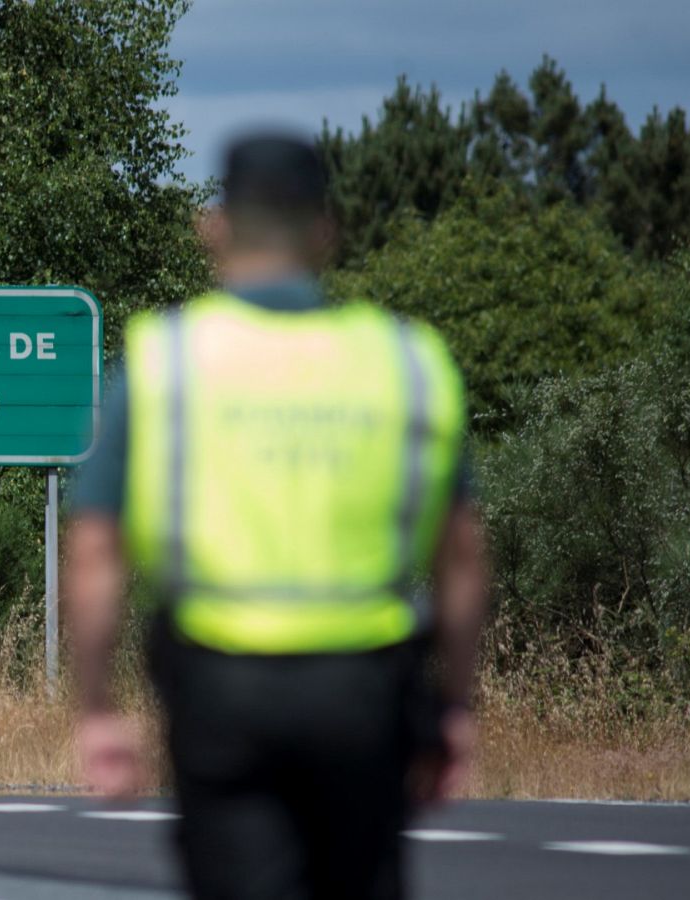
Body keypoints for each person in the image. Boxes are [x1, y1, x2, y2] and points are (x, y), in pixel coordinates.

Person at [66, 133, 489, 900]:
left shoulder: (167, 358)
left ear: (214, 226)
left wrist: (96, 707)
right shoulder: (408, 362)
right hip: (366, 692)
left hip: (222, 691)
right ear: (327, 229)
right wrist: (455, 704)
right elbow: (463, 555)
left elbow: (96, 549)